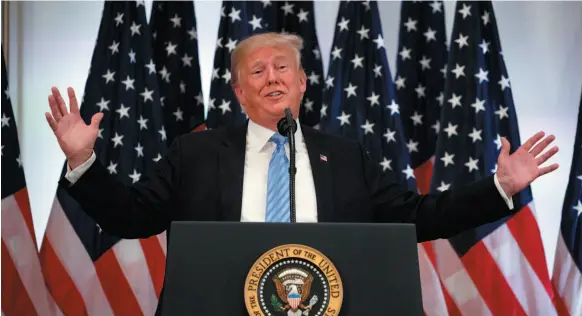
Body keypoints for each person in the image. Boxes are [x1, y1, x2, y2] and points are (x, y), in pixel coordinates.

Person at [46, 32, 558, 312]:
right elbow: (134, 216)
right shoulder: (195, 153)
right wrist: (82, 164)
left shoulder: (347, 156)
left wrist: (499, 188)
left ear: (302, 82)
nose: (272, 77)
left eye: (282, 67)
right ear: (239, 93)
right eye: (257, 71)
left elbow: (417, 216)